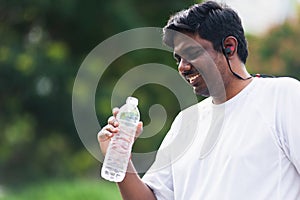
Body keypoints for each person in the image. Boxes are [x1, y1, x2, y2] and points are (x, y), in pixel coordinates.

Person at [97, 1, 300, 199]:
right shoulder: (186, 122)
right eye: (178, 59)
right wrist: (120, 158)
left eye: (192, 53)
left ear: (229, 47)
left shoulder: (282, 96)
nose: (183, 67)